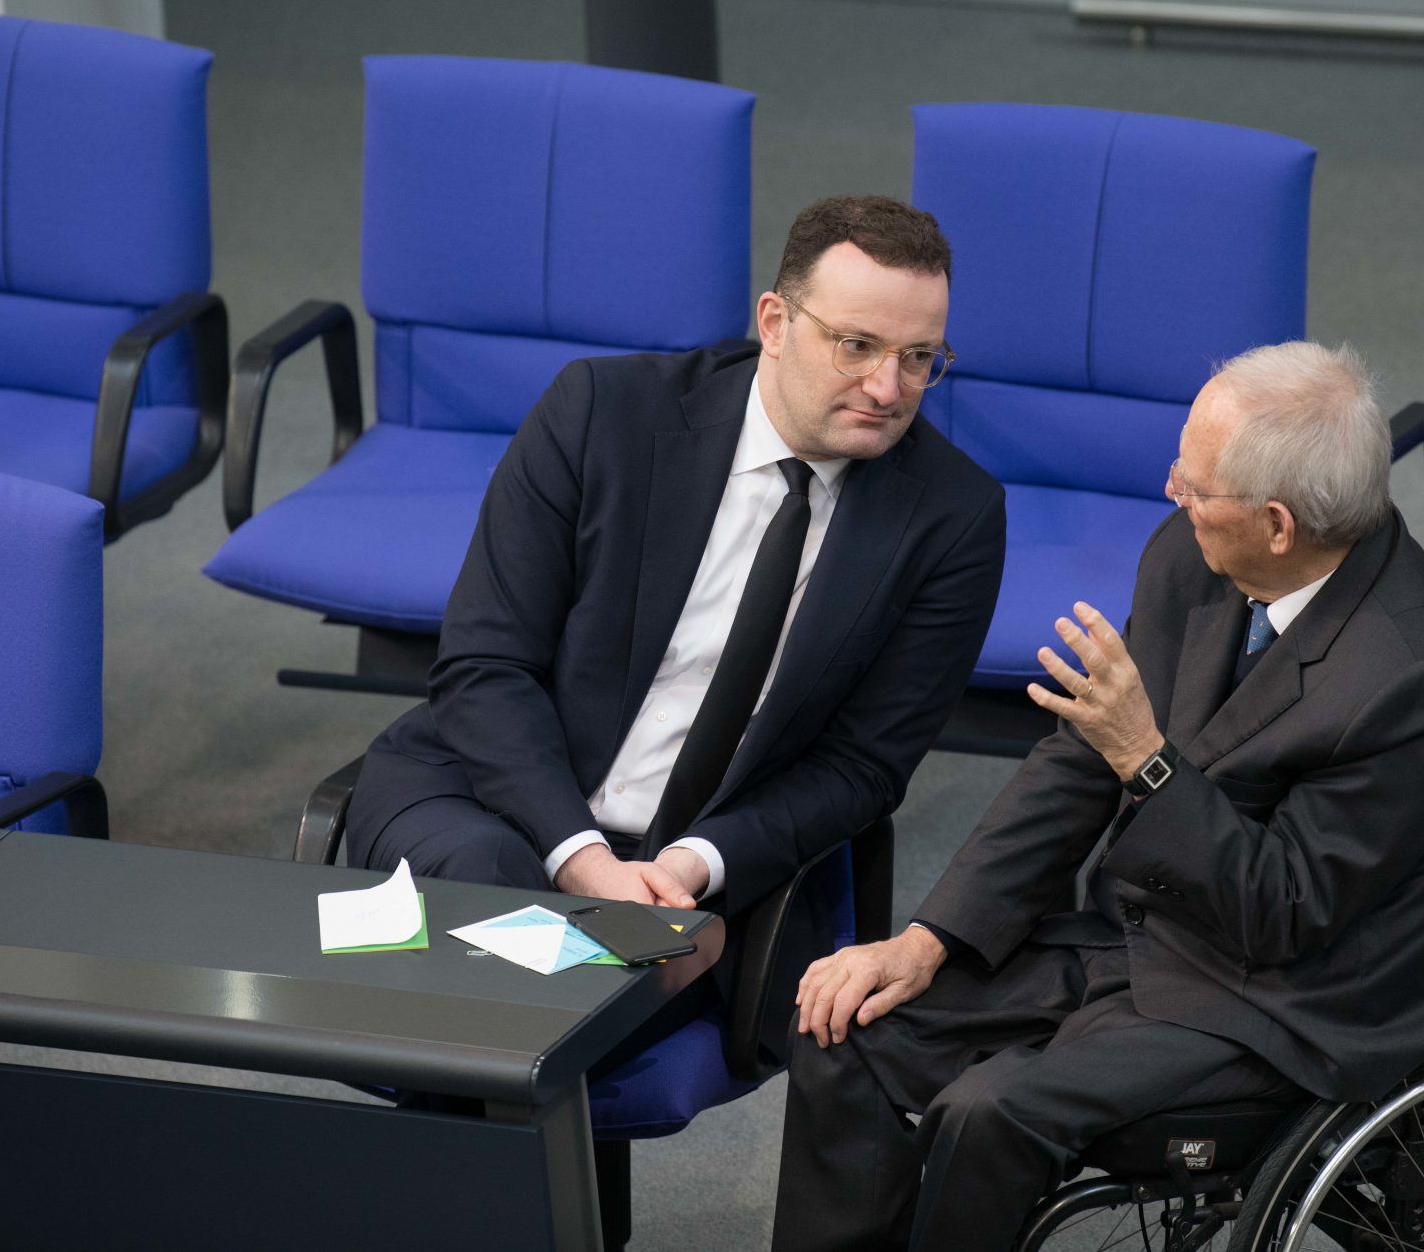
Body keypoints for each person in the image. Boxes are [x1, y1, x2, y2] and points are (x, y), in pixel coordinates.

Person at [773, 341, 1424, 1252]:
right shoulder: (1194, 555)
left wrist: (1147, 758)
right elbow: (1076, 762)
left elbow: (1283, 910)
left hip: (1296, 1002)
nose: (1172, 490)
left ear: (1278, 524)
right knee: (844, 1031)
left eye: (1197, 483)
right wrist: (927, 939)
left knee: (989, 1111)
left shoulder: (1418, 682)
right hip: (1145, 941)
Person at [347, 196, 1004, 1007]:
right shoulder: (600, 413)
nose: (886, 387)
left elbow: (863, 766)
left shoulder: (952, 518)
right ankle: (611, 973)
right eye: (857, 346)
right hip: (496, 801)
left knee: (468, 980)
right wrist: (585, 862)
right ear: (774, 321)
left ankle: (592, 977)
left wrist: (692, 864)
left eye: (919, 358)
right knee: (495, 907)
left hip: (698, 867)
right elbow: (486, 667)